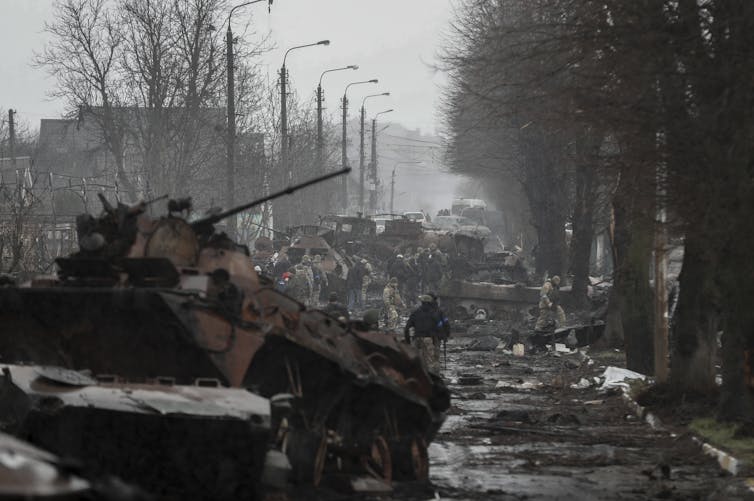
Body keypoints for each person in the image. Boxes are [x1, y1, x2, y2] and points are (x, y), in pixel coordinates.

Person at [404, 295, 444, 373]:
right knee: (429, 362)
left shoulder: (415, 313)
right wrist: (439, 340)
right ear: (430, 303)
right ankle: (430, 379)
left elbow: (407, 328)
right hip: (428, 339)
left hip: (416, 339)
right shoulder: (434, 314)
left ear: (421, 302)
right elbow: (440, 327)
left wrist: (408, 341)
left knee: (413, 360)